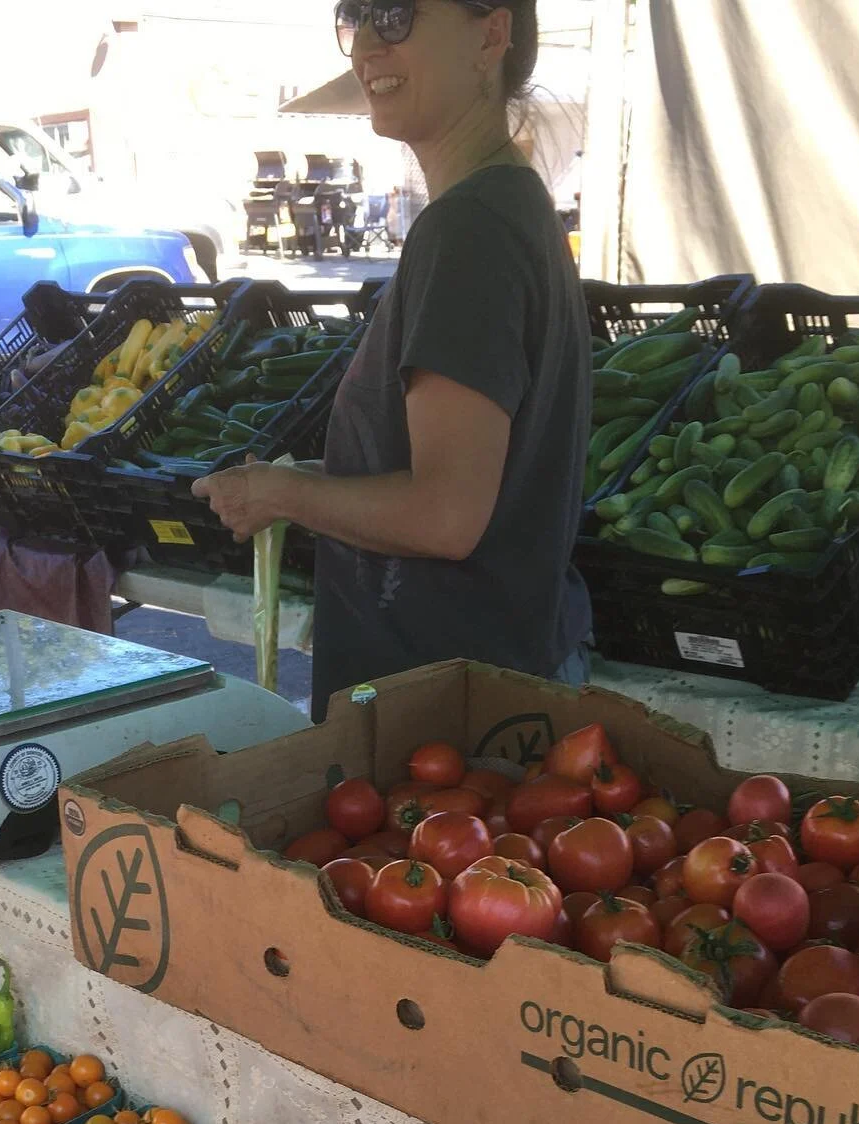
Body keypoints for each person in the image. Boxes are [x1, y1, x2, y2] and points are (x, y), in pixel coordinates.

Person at [194, 0, 591, 722]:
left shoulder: (468, 231)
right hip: (484, 683)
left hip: (448, 714)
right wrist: (303, 481)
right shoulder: (511, 204)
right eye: (355, 17)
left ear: (490, 35)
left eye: (398, 16)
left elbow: (446, 516)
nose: (368, 44)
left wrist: (282, 495)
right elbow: (471, 490)